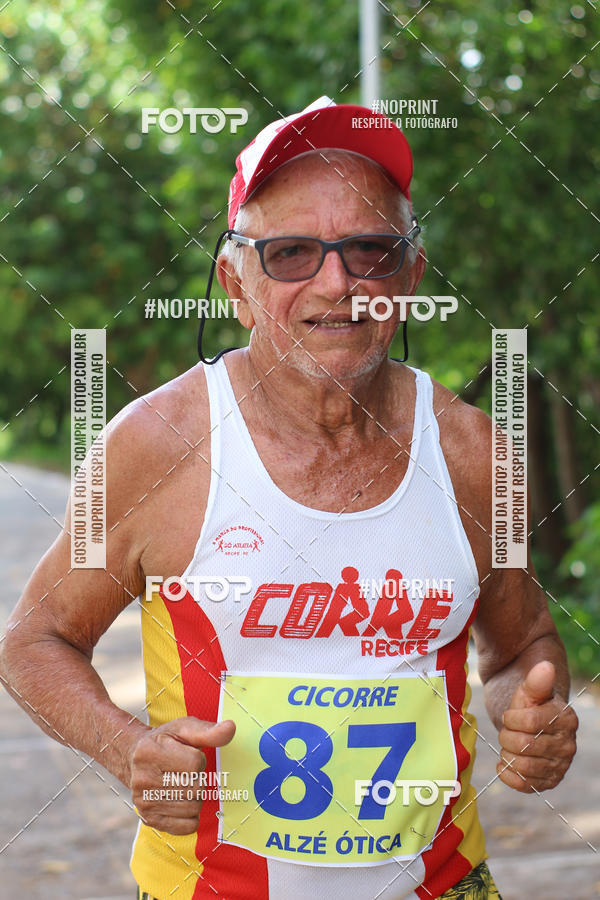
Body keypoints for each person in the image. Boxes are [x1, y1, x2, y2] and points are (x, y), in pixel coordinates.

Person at [0, 96, 578, 900]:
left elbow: (522, 647)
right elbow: (34, 641)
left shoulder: (478, 455)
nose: (337, 282)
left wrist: (533, 717)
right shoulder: (149, 447)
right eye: (291, 253)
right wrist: (125, 747)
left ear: (410, 276)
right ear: (234, 282)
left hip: (444, 886)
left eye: (370, 249)